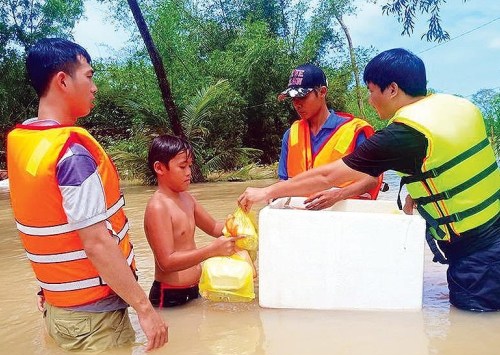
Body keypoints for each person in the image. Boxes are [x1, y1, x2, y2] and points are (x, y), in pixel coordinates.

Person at [238, 48, 500, 312]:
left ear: (393, 89)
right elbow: (455, 161)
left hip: (477, 255)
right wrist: (419, 191)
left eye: (372, 90)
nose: (370, 98)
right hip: (493, 229)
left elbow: (328, 175)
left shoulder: (402, 135)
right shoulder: (461, 106)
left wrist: (266, 192)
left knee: (473, 330)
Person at [6, 38, 168, 352]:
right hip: (95, 322)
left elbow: (43, 224)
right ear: (63, 81)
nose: (94, 87)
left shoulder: (23, 142)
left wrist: (49, 288)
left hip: (57, 311)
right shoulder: (71, 153)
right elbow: (96, 242)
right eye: (89, 76)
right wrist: (144, 309)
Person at [144, 134, 251, 308]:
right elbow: (167, 262)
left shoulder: (187, 199)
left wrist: (241, 219)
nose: (188, 172)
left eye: (190, 166)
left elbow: (215, 227)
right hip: (169, 294)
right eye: (182, 166)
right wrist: (211, 250)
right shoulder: (158, 207)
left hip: (195, 289)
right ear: (159, 168)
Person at [276, 63, 382, 209]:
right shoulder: (291, 135)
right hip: (301, 215)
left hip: (344, 214)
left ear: (322, 92)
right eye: (293, 98)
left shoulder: (353, 131)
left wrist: (339, 195)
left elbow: (372, 179)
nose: (297, 104)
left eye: (302, 97)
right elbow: (284, 182)